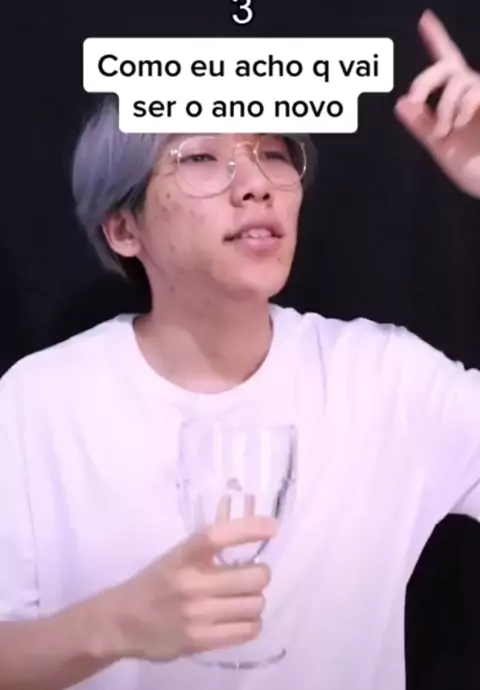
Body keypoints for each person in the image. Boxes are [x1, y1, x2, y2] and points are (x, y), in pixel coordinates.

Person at [1, 9, 480, 690]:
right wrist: (116, 626)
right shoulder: (38, 402)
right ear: (124, 228)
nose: (255, 183)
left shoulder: (386, 381)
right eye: (201, 157)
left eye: (273, 153)